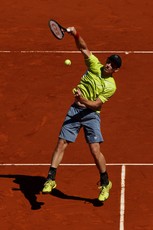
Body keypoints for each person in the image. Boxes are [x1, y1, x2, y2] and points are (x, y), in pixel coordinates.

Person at [42, 26, 122, 202]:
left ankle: (105, 182)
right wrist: (76, 34)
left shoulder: (111, 86)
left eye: (113, 65)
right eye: (109, 61)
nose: (109, 65)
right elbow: (83, 48)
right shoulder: (94, 65)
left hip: (91, 114)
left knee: (95, 150)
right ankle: (50, 179)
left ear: (116, 70)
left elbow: (95, 105)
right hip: (75, 110)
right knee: (62, 142)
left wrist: (82, 99)